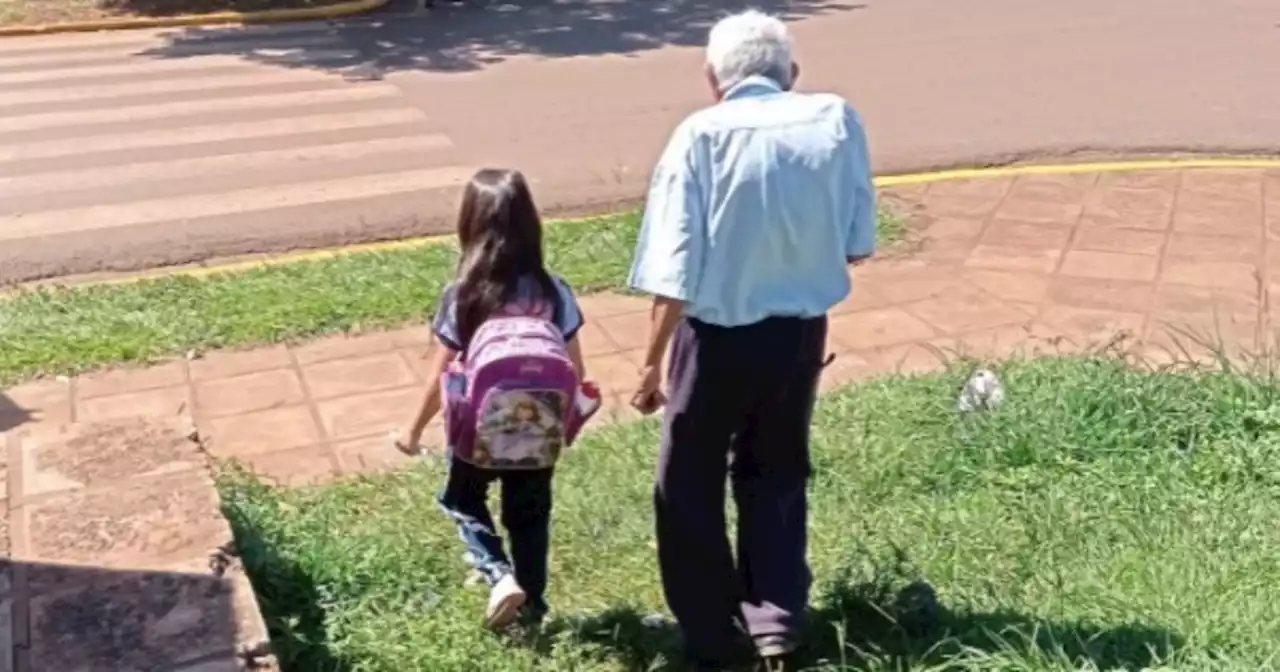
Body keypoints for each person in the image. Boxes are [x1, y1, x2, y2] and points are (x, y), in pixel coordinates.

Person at [626, 10, 878, 669]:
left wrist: (649, 366)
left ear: (713, 79)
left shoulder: (699, 137)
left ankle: (712, 633)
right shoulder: (835, 119)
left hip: (715, 340)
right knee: (776, 469)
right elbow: (857, 243)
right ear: (790, 73)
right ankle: (776, 620)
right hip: (799, 335)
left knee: (688, 480)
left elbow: (673, 270)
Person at [397, 167, 588, 631]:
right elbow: (576, 371)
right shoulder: (553, 290)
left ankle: (498, 574)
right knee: (530, 515)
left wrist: (413, 430)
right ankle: (533, 609)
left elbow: (440, 372)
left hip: (476, 428)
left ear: (470, 224)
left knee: (461, 499)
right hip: (538, 423)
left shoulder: (464, 295)